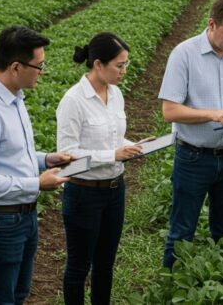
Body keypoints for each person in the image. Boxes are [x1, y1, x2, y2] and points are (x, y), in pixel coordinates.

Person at [0, 26, 72, 305]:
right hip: (0, 221)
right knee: (1, 299)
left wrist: (46, 159)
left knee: (18, 294)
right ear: (15, 67)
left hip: (23, 216)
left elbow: (11, 158)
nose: (42, 72)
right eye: (39, 65)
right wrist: (38, 183)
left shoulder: (14, 100)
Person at [158, 0, 223, 269]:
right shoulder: (184, 54)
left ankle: (219, 285)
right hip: (194, 158)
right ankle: (171, 286)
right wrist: (212, 114)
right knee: (181, 232)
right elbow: (170, 111)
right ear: (212, 24)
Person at [56, 32, 144, 304]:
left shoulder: (116, 94)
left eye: (126, 64)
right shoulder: (73, 101)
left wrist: (136, 146)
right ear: (97, 64)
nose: (124, 71)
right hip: (84, 193)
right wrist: (113, 154)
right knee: (79, 266)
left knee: (105, 264)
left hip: (115, 189)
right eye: (120, 65)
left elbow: (114, 139)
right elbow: (68, 155)